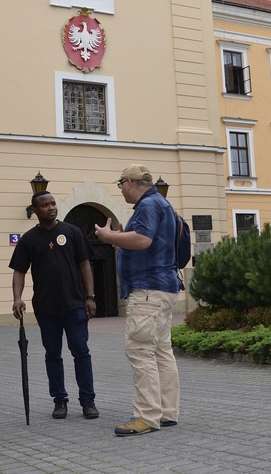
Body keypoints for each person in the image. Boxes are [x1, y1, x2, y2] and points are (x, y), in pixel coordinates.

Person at [94, 164, 181, 436]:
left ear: (129, 183)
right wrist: (119, 238)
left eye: (120, 186)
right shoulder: (161, 203)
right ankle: (166, 412)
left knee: (141, 351)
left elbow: (143, 240)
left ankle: (146, 416)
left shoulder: (147, 205)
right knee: (161, 351)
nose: (121, 191)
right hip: (162, 287)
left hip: (147, 290)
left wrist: (110, 236)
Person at [10, 190, 99, 420]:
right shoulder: (29, 239)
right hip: (46, 307)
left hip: (75, 305)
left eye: (53, 203)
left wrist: (90, 296)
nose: (51, 207)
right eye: (45, 205)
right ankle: (59, 400)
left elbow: (85, 265)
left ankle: (88, 400)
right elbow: (19, 271)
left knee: (81, 351)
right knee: (53, 354)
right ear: (35, 211)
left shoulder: (72, 232)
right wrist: (17, 298)